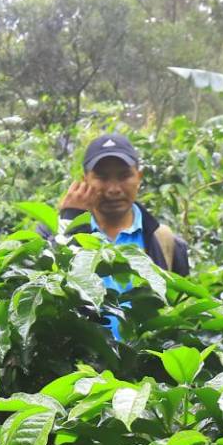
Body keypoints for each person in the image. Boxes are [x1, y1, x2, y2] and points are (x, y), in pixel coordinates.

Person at [54, 133, 192, 338]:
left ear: (139, 177)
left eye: (124, 176)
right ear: (85, 180)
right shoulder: (57, 235)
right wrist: (70, 222)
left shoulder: (165, 241)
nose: (113, 189)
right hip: (80, 365)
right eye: (102, 177)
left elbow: (182, 314)